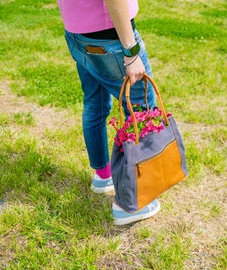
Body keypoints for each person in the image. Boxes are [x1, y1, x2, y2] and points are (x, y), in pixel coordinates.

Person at [56, 0, 160, 225]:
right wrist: (131, 52)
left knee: (95, 105)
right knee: (142, 112)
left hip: (77, 32)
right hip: (110, 36)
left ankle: (103, 176)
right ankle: (131, 203)